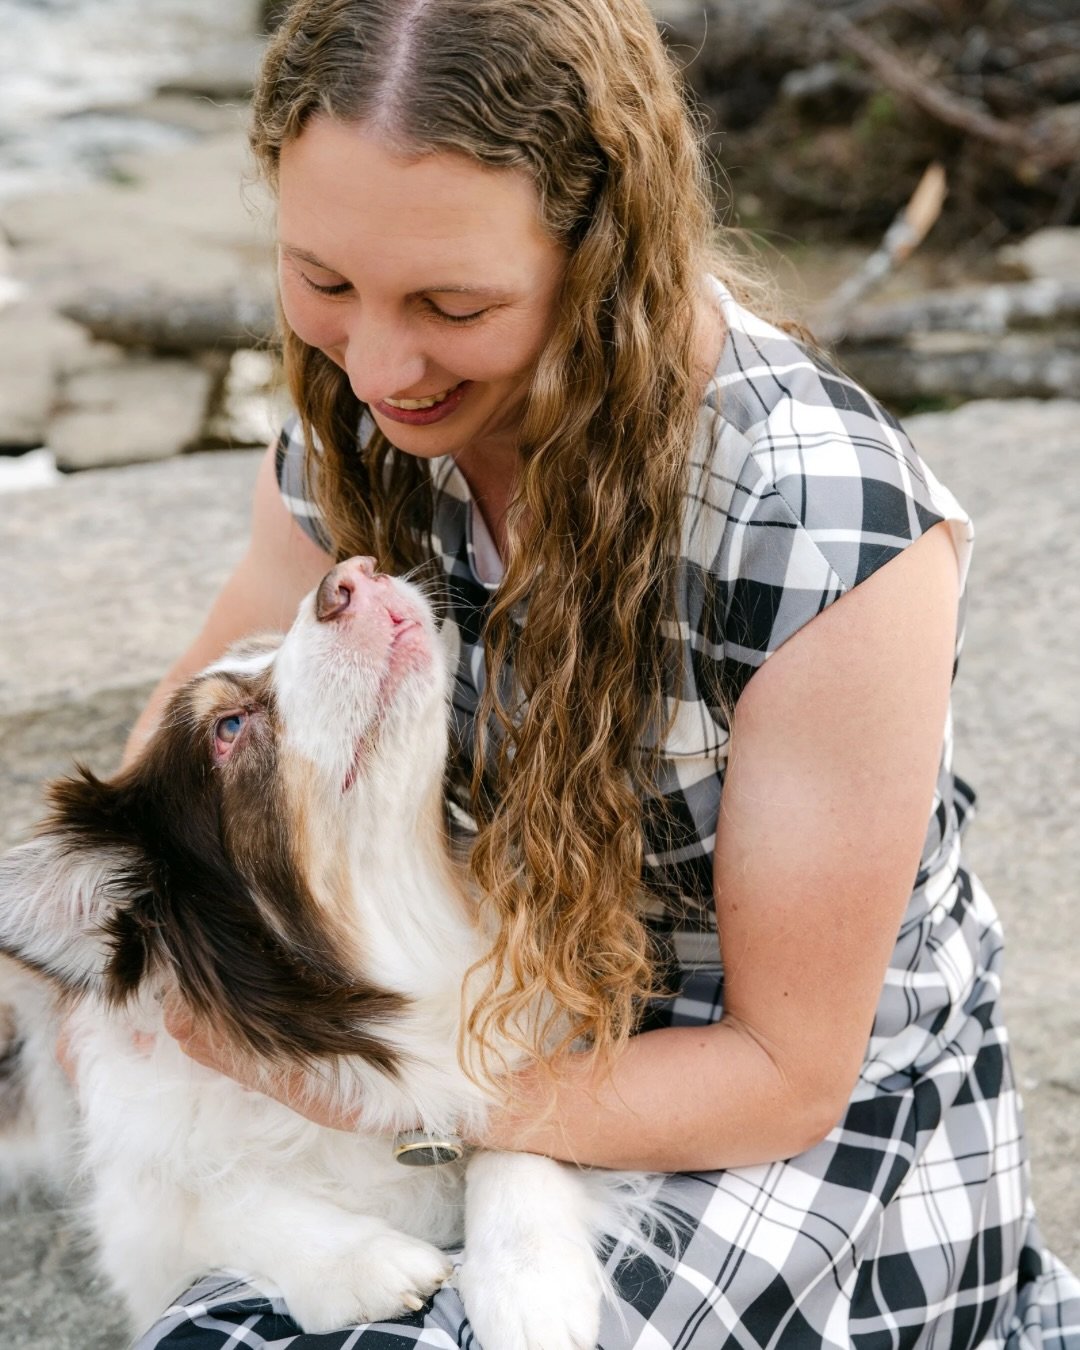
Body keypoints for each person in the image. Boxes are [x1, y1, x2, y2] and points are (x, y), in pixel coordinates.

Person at [114, 0, 1079, 1345]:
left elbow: (782, 1071)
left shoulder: (820, 521)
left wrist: (372, 1090)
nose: (380, 361)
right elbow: (208, 696)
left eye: (452, 304)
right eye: (323, 280)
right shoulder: (372, 405)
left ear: (604, 250)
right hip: (483, 1040)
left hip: (768, 1129)